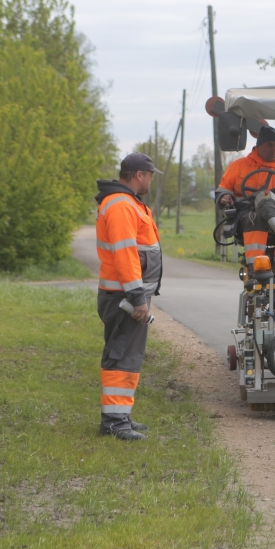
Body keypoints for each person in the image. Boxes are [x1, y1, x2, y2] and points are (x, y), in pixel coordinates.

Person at [94, 153, 164, 441]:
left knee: (128, 354)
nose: (150, 180)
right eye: (150, 175)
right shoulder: (122, 205)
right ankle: (113, 422)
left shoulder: (126, 203)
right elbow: (126, 255)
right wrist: (137, 297)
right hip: (123, 295)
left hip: (125, 293)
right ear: (138, 175)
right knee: (121, 355)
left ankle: (120, 416)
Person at [216, 127, 275, 269]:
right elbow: (223, 189)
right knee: (255, 220)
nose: (274, 149)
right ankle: (257, 269)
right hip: (248, 213)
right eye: (269, 145)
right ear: (258, 147)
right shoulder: (238, 166)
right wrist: (225, 197)